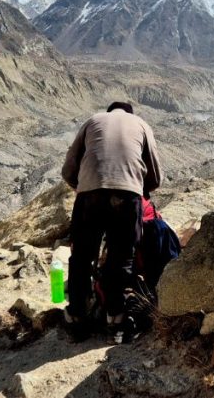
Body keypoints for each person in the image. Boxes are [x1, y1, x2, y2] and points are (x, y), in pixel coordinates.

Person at [61, 101, 162, 341]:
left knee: (82, 256)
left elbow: (68, 169)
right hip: (127, 197)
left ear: (109, 112)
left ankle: (76, 316)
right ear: (130, 113)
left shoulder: (93, 121)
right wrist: (137, 191)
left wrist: (85, 188)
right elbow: (156, 176)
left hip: (89, 196)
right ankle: (115, 319)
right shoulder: (141, 124)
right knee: (121, 258)